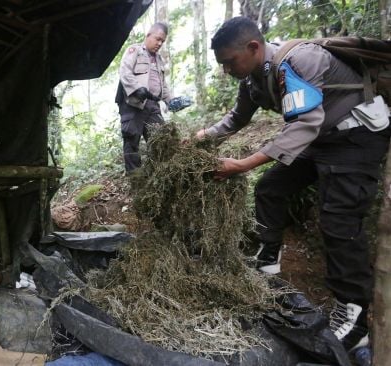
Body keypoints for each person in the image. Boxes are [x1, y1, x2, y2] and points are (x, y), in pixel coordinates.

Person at [195, 16, 390, 352]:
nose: (227, 70)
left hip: (356, 136)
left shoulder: (299, 60)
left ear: (253, 47)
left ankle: (354, 318)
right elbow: (237, 119)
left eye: (230, 62)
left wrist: (242, 164)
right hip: (323, 139)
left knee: (338, 221)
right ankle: (268, 261)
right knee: (271, 188)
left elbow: (304, 126)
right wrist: (201, 138)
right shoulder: (254, 80)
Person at [116, 22, 190, 173]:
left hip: (152, 106)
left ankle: (161, 175)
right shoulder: (135, 50)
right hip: (133, 105)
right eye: (157, 39)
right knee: (131, 141)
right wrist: (137, 89)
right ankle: (135, 178)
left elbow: (162, 86)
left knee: (161, 140)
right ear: (148, 35)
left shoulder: (159, 60)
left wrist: (171, 102)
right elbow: (124, 72)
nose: (159, 43)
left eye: (162, 41)